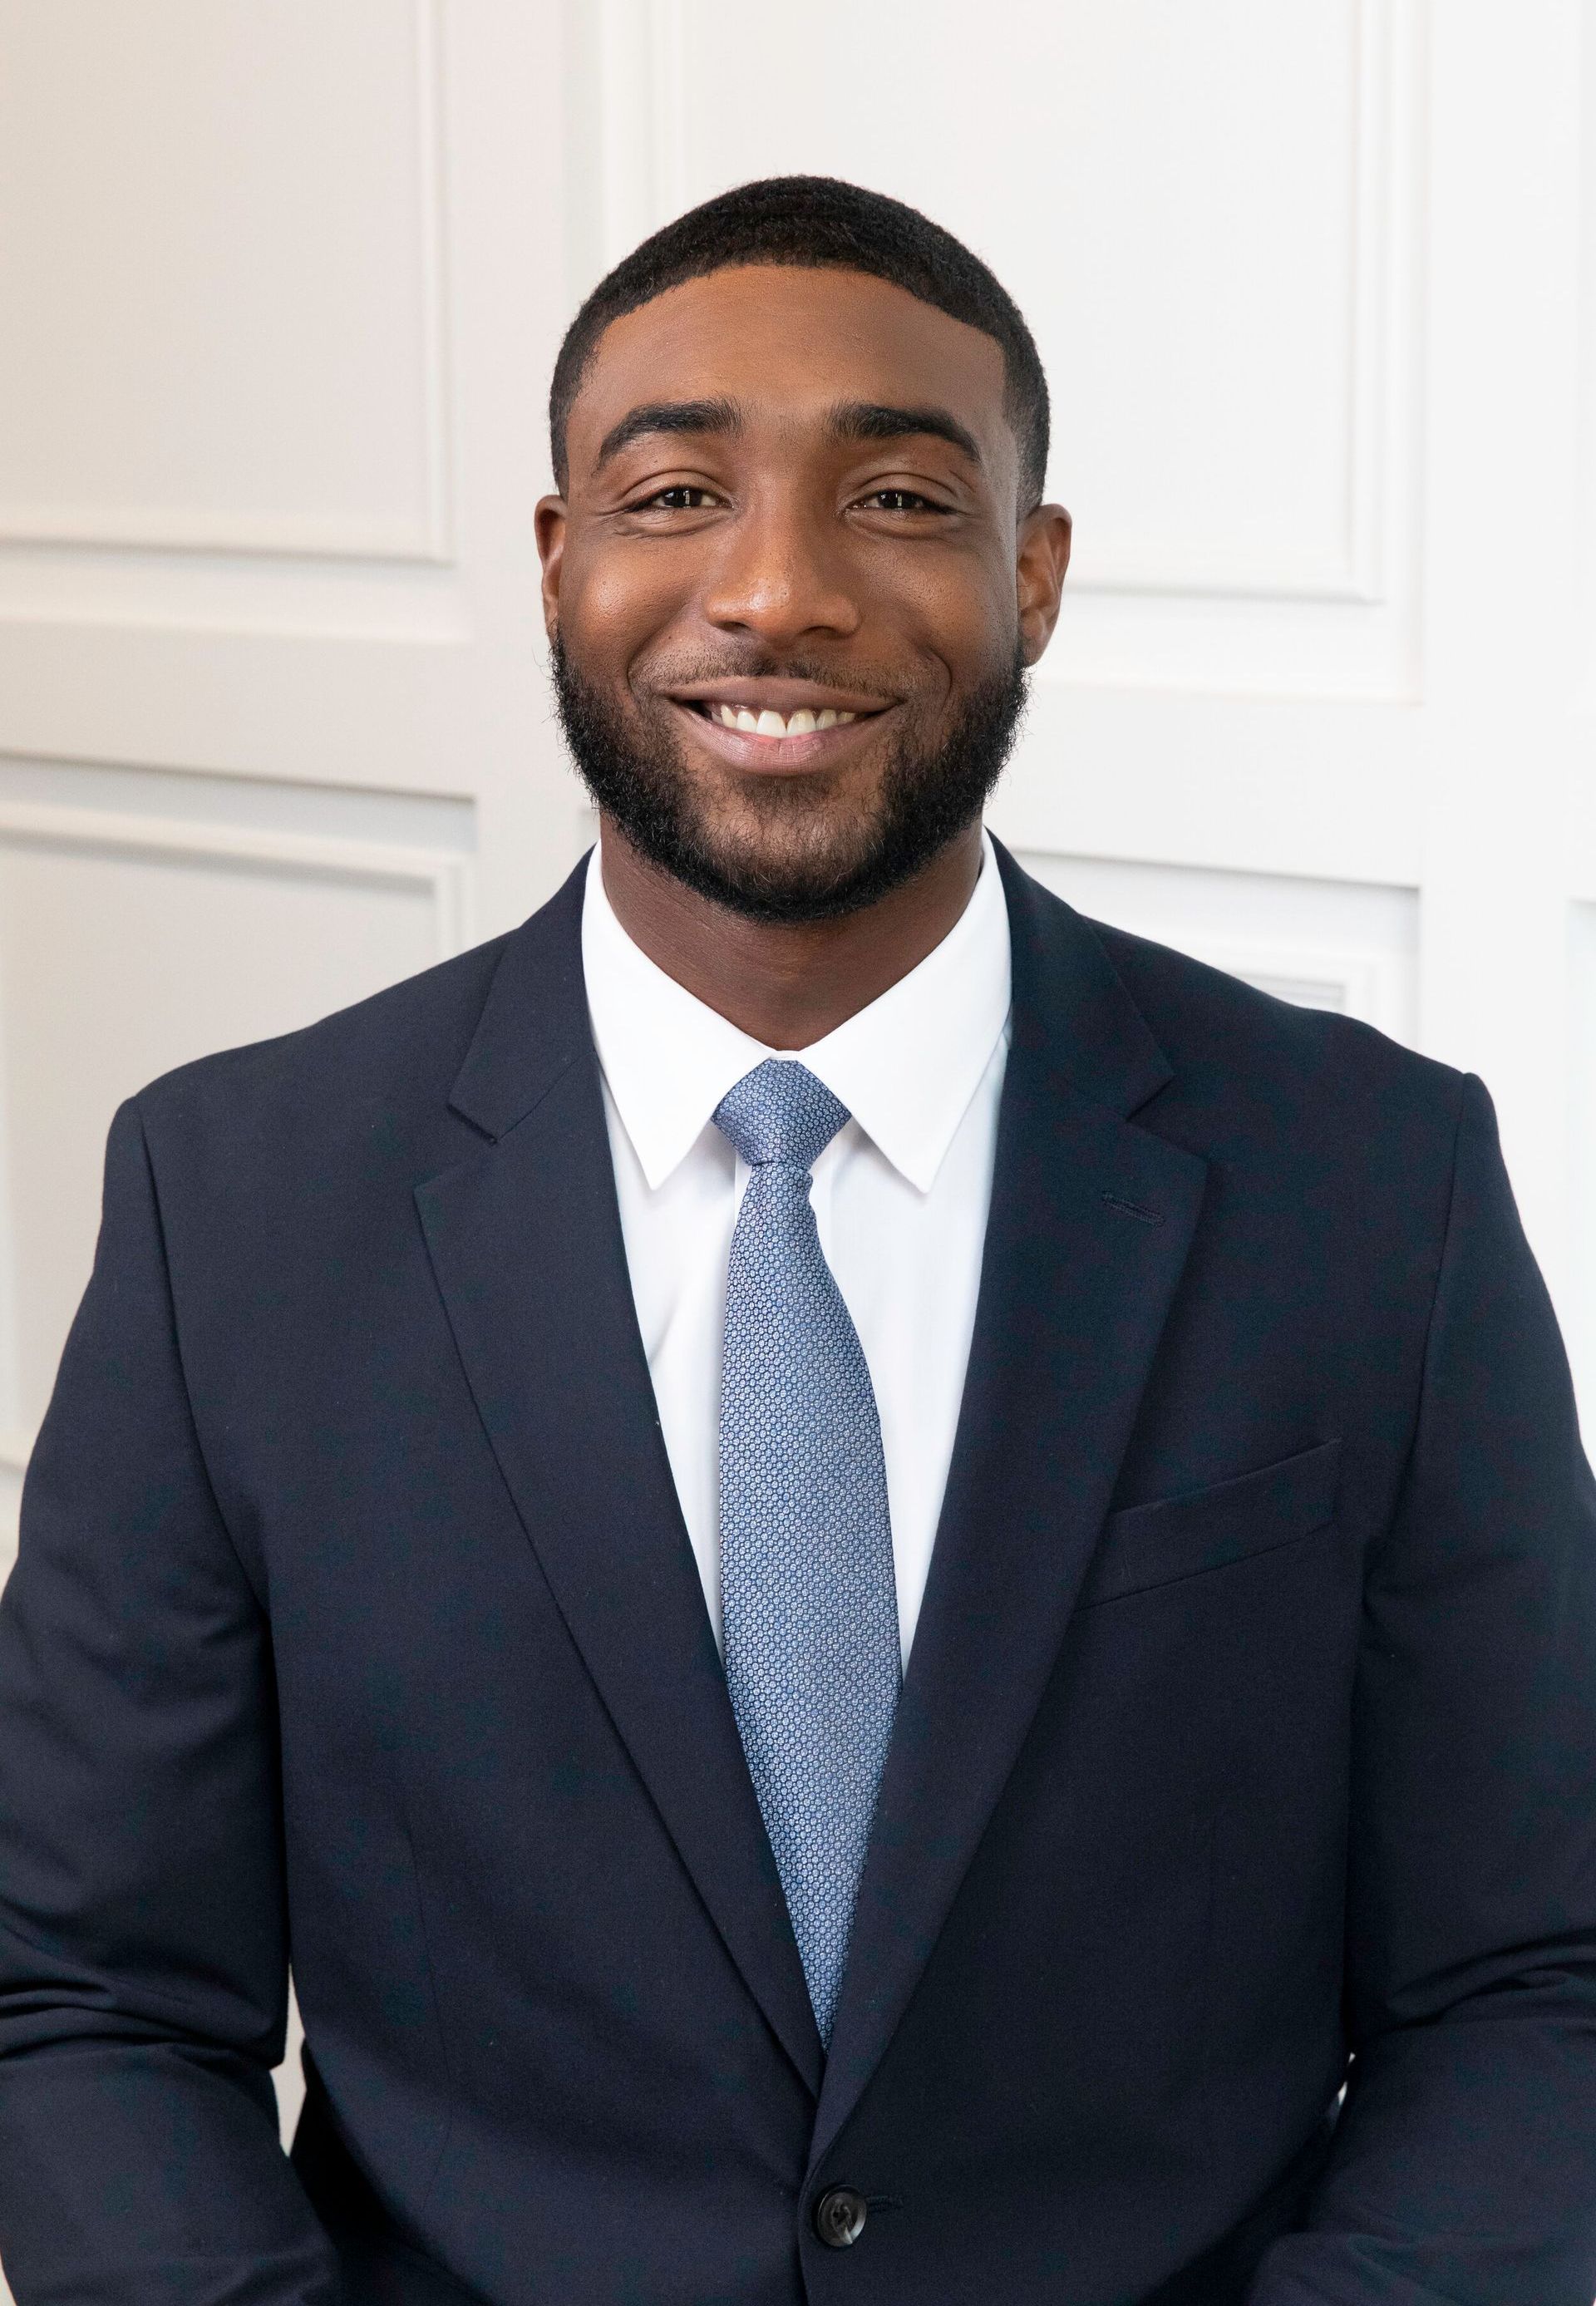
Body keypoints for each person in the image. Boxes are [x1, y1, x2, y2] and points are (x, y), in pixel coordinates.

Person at [0, 173, 1594, 2306]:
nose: (777, 591)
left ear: (1033, 576)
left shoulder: (1375, 1191)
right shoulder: (233, 1205)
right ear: (559, 565)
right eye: (674, 494)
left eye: (905, 498)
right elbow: (88, 2005)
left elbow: (1533, 1982)